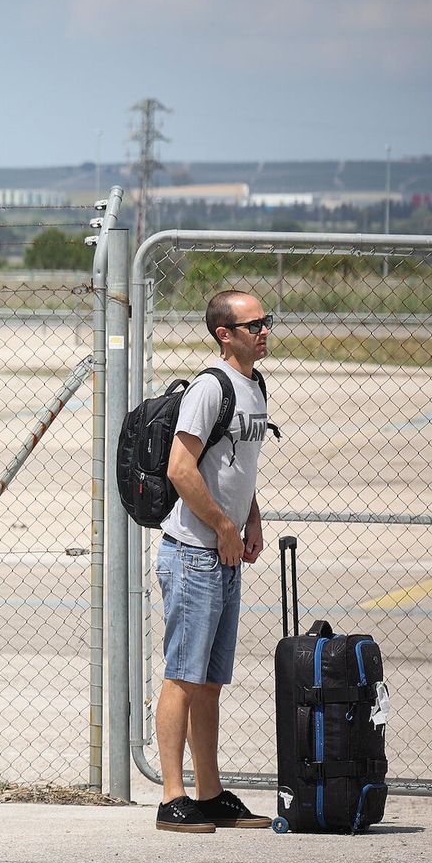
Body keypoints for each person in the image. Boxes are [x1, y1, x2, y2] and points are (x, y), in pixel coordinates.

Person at [154, 290, 277, 833]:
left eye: (266, 322)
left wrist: (249, 518)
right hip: (193, 554)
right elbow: (182, 468)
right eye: (253, 324)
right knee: (183, 675)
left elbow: (233, 467)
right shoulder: (211, 387)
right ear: (224, 333)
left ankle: (210, 792)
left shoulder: (255, 386)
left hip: (224, 551)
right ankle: (172, 797)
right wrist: (223, 526)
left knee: (209, 681)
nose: (264, 331)